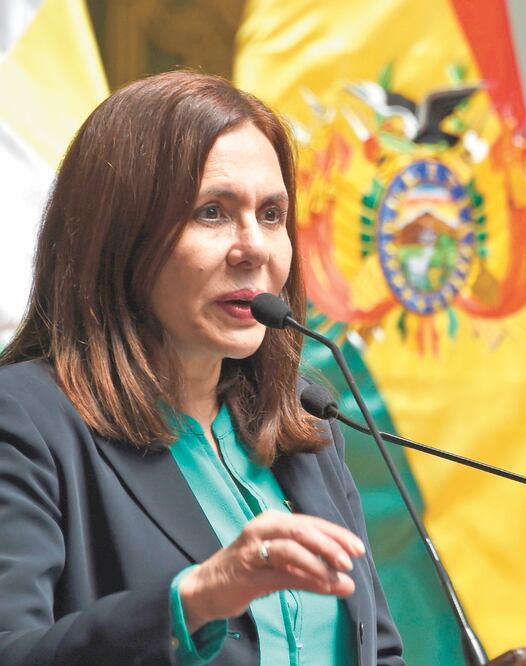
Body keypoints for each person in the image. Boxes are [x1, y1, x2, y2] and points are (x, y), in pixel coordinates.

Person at [0, 70, 404, 665]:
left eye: (272, 214)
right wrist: (192, 601)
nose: (255, 248)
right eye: (212, 212)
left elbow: (379, 650)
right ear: (120, 236)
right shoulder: (24, 421)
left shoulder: (304, 419)